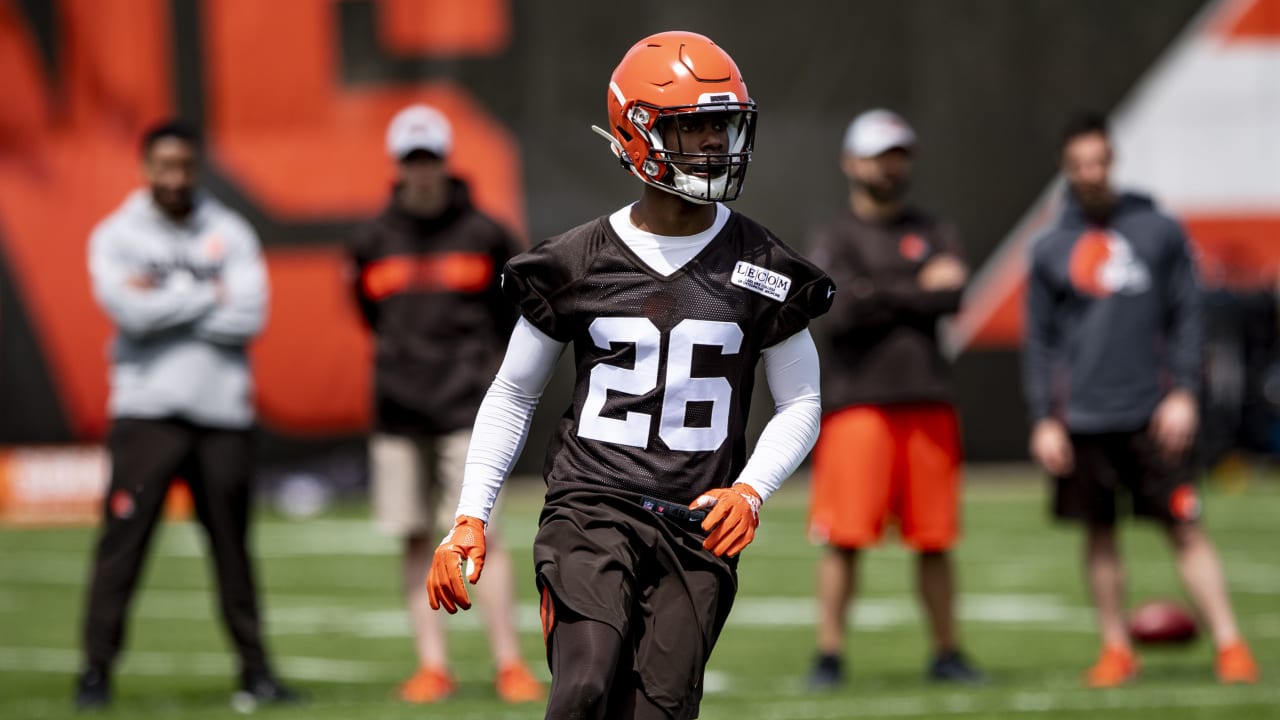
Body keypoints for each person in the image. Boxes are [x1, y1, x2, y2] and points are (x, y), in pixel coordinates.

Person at [424, 31, 835, 720]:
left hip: (697, 526)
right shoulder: (576, 260)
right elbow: (514, 392)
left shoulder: (766, 264)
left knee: (658, 712)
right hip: (592, 507)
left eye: (722, 126)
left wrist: (752, 492)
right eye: (693, 126)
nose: (714, 145)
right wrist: (470, 516)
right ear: (636, 135)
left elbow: (802, 401)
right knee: (583, 689)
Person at [1023, 111, 1259, 687]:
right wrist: (1043, 419)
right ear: (1066, 167)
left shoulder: (1159, 230)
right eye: (1079, 164)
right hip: (1082, 416)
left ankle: (1230, 644)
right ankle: (1116, 649)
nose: (1091, 172)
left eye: (1099, 161)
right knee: (1100, 535)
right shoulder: (1050, 245)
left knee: (1185, 528)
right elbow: (1041, 343)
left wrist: (1182, 393)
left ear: (1112, 159)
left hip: (1154, 413)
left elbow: (1188, 317)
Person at [77, 121, 295, 709]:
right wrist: (208, 296)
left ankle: (257, 672)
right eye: (164, 166)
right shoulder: (117, 234)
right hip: (146, 415)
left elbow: (249, 316)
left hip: (222, 416)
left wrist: (163, 297)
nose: (175, 178)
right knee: (123, 545)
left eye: (184, 167)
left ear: (196, 168)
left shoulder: (229, 230)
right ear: (145, 168)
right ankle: (95, 670)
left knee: (232, 550)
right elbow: (130, 313)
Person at [347, 104, 544, 704]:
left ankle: (509, 664)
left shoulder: (485, 233)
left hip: (467, 409)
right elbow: (368, 312)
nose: (422, 170)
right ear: (397, 166)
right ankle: (432, 666)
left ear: (445, 160)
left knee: (483, 530)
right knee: (412, 537)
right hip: (399, 411)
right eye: (412, 160)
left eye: (429, 158)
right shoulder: (372, 239)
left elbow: (513, 315)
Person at [805, 109, 982, 689]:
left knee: (935, 539)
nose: (890, 165)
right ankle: (829, 655)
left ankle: (947, 651)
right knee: (844, 537)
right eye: (880, 154)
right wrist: (913, 288)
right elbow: (842, 311)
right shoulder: (835, 234)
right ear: (851, 162)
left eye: (899, 154)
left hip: (927, 401)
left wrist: (875, 290)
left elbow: (952, 297)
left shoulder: (934, 228)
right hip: (859, 406)